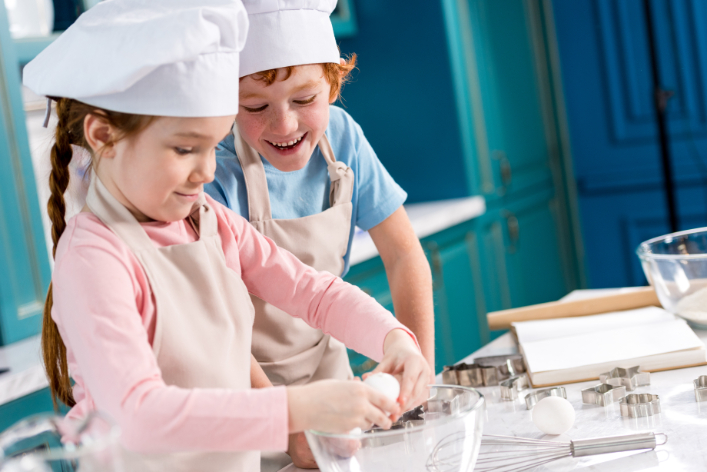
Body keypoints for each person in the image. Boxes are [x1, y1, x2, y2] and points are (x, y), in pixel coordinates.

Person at [23, 1, 431, 471]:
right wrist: (299, 410)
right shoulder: (95, 259)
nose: (208, 170)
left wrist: (394, 339)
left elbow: (311, 292)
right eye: (185, 148)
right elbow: (139, 416)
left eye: (213, 144)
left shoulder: (207, 219)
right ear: (102, 136)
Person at [205, 1, 436, 466]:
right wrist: (284, 425)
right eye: (254, 106)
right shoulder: (215, 175)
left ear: (332, 84)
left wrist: (418, 366)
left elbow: (403, 253)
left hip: (329, 376)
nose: (285, 124)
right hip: (246, 394)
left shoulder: (344, 141)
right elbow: (219, 327)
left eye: (305, 100)